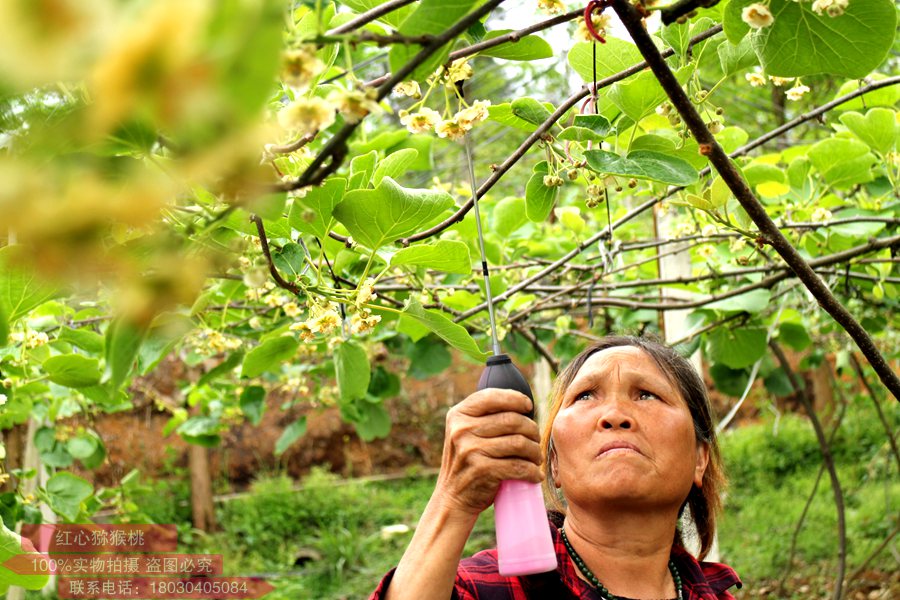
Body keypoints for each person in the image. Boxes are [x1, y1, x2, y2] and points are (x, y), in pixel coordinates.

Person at [370, 335, 741, 600]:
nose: (613, 416)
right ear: (555, 464)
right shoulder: (485, 589)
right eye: (585, 396)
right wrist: (452, 500)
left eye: (646, 394)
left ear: (699, 459)